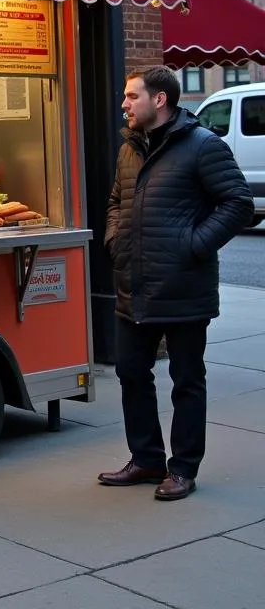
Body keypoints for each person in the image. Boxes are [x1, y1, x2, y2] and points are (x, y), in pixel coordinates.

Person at [99, 66, 253, 501]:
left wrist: (193, 244)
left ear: (160, 100)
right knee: (131, 373)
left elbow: (238, 203)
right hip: (134, 282)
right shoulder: (129, 148)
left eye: (132, 96)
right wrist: (115, 237)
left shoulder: (203, 146)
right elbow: (116, 199)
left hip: (184, 286)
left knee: (186, 380)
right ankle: (146, 458)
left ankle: (183, 468)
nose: (125, 104)